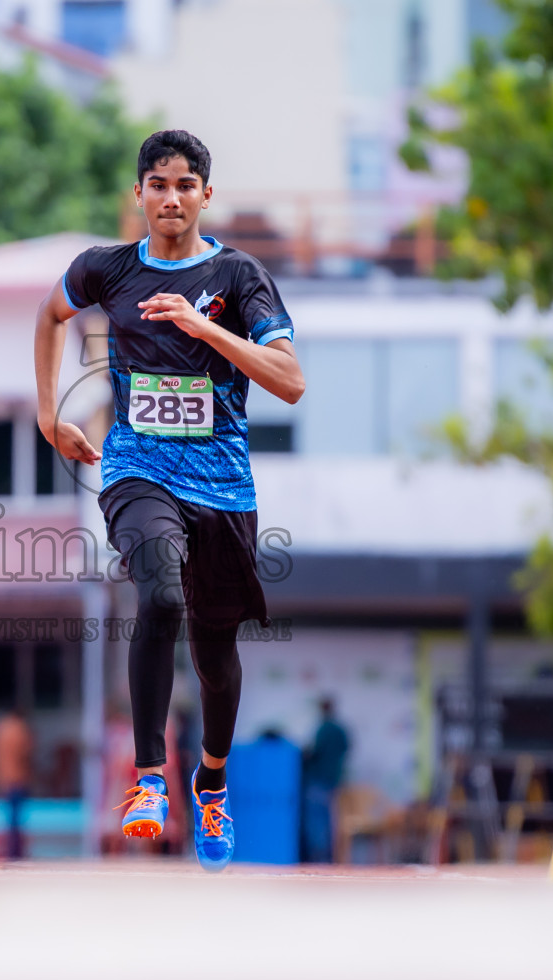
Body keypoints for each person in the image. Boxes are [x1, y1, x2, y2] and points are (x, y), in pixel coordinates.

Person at [34, 130, 305, 872]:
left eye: (185, 185)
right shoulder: (106, 271)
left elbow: (290, 380)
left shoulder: (239, 274)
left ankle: (209, 785)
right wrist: (47, 413)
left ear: (205, 195)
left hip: (222, 486)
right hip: (136, 470)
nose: (171, 197)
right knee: (156, 596)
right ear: (140, 194)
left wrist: (204, 326)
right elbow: (50, 315)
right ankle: (149, 780)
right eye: (158, 184)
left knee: (216, 658)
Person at [303, 697, 351, 863]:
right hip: (334, 779)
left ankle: (319, 858)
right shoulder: (340, 729)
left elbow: (314, 752)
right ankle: (329, 858)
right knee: (330, 820)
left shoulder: (323, 729)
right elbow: (346, 749)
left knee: (317, 821)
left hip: (318, 779)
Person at [0, 708, 34, 860]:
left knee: (10, 819)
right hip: (17, 778)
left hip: (3, 778)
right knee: (16, 819)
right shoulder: (19, 730)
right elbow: (24, 754)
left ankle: (11, 851)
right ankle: (16, 852)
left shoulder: (0, 729)